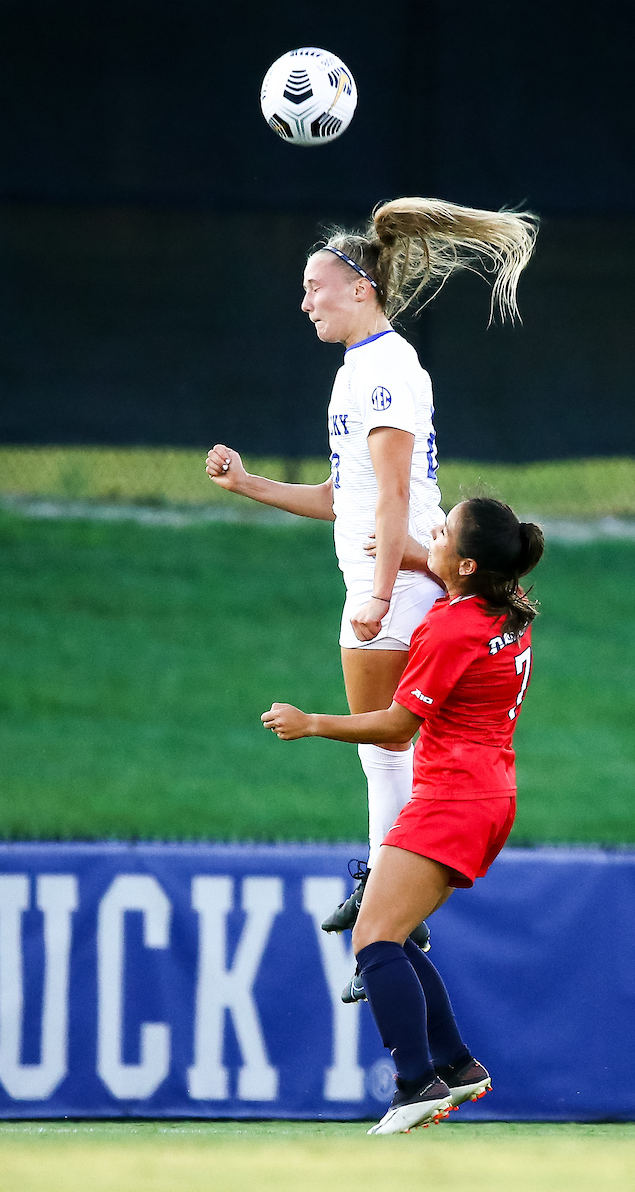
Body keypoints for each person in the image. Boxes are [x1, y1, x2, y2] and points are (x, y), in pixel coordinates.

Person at [206, 197, 539, 949]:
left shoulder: (383, 368)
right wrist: (249, 483)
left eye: (313, 287)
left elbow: (393, 496)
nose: (304, 302)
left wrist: (382, 590)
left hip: (391, 579)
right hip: (383, 572)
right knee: (393, 750)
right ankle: (389, 885)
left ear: (360, 287)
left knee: (389, 749)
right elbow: (345, 498)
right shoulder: (362, 369)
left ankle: (391, 896)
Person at [262, 497, 545, 1134]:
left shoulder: (450, 629)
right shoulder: (508, 605)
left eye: (441, 531)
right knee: (392, 927)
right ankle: (457, 1065)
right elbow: (461, 571)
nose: (432, 533)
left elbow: (397, 725)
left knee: (374, 937)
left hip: (452, 798)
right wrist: (406, 553)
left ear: (468, 565)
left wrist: (312, 723)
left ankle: (415, 1084)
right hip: (489, 793)